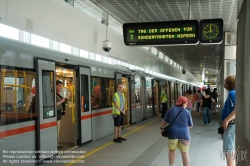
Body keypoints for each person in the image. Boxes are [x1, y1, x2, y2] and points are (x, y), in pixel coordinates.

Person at [160, 96, 193, 166]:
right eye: (186, 103)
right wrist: (183, 128)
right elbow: (190, 125)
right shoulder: (187, 112)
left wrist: (161, 128)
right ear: (184, 103)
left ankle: (171, 165)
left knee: (172, 150)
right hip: (184, 134)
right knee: (185, 152)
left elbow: (164, 121)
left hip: (173, 133)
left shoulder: (171, 110)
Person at [221, 75, 236, 166]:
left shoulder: (232, 93)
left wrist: (226, 120)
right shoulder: (232, 93)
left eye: (225, 81)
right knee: (229, 149)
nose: (224, 83)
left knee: (228, 150)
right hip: (231, 125)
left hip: (231, 125)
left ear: (229, 83)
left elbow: (237, 109)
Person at [56, 80, 66, 149]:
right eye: (59, 86)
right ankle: (56, 144)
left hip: (59, 113)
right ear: (55, 85)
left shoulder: (58, 94)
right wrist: (61, 101)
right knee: (56, 130)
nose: (61, 88)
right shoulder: (53, 94)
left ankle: (57, 143)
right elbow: (52, 104)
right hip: (56, 113)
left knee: (58, 130)